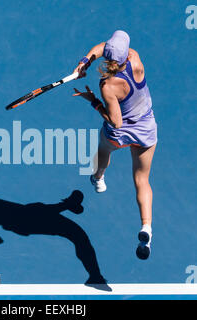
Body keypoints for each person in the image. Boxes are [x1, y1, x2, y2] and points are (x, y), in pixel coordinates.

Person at [72, 30, 157, 260]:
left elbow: (116, 122)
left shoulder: (107, 85)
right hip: (145, 127)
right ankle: (146, 228)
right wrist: (84, 63)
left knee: (103, 148)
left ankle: (98, 178)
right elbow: (103, 49)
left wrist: (93, 103)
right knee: (142, 180)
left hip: (121, 131)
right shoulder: (134, 57)